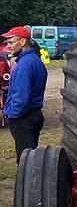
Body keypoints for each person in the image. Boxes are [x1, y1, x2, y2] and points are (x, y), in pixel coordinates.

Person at [2, 26, 47, 164]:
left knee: (25, 160)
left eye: (10, 42)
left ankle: (28, 185)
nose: (8, 46)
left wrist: (11, 114)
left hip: (24, 117)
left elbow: (21, 97)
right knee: (31, 157)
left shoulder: (24, 65)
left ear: (22, 42)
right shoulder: (35, 61)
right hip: (34, 114)